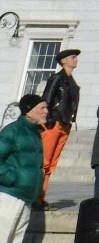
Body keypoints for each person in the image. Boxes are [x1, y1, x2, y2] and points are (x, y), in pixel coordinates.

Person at [36, 48, 79, 209]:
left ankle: (41, 197)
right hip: (53, 123)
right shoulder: (57, 78)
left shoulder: (72, 82)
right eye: (72, 57)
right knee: (44, 161)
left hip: (65, 124)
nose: (75, 60)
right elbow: (46, 100)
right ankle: (36, 197)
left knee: (52, 163)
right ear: (63, 61)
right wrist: (47, 120)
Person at [0, 94, 47, 243]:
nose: (46, 111)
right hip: (10, 195)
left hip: (27, 196)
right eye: (42, 108)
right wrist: (12, 179)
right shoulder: (12, 131)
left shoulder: (35, 132)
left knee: (17, 238)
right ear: (29, 110)